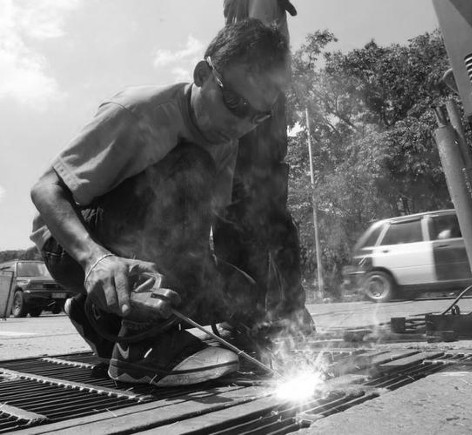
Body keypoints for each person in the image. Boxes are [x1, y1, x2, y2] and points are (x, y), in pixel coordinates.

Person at [30, 18, 311, 387]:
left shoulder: (228, 137)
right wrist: (94, 259)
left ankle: (97, 317)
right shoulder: (137, 112)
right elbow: (45, 189)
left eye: (258, 115)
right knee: (191, 164)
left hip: (136, 254)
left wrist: (247, 304)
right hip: (71, 246)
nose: (242, 124)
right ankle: (141, 353)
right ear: (202, 74)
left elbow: (207, 228)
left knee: (240, 292)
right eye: (234, 102)